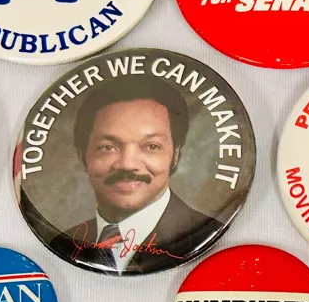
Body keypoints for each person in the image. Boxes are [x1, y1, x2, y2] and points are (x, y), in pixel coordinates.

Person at [45, 76, 223, 274]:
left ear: (175, 155)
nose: (128, 164)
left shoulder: (210, 236)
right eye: (108, 147)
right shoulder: (62, 243)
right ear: (82, 155)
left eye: (151, 146)